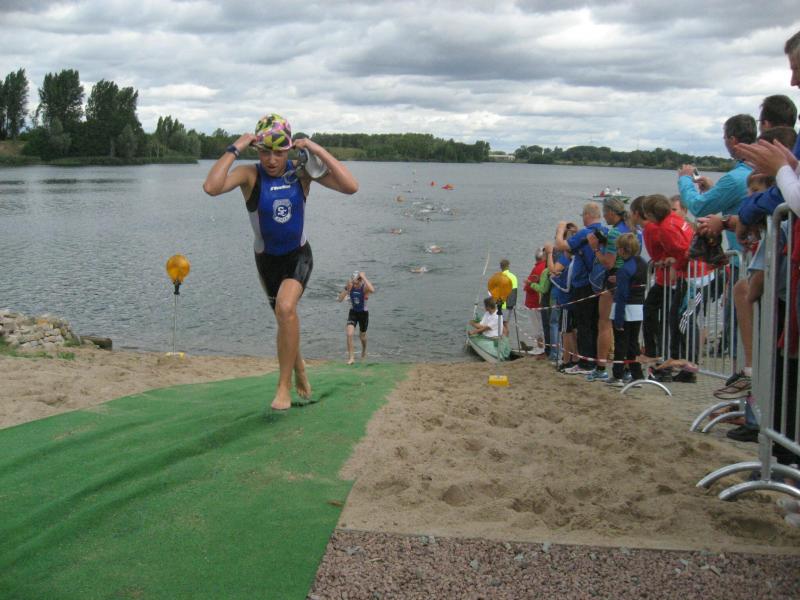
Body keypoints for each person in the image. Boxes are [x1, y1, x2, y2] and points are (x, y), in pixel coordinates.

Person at [202, 113, 358, 412]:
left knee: (286, 309)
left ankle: (283, 387)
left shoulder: (301, 173)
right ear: (256, 150)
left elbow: (351, 186)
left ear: (288, 149)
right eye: (264, 152)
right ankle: (299, 369)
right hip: (266, 262)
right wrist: (236, 147)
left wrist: (314, 147)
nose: (272, 160)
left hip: (298, 256)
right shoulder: (249, 175)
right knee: (284, 319)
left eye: (279, 152)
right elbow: (211, 187)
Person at [585, 197, 634, 382]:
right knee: (627, 325)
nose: (604, 217)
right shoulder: (633, 229)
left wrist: (596, 249)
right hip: (632, 277)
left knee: (604, 323)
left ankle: (601, 367)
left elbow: (608, 263)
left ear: (612, 212)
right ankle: (628, 369)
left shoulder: (615, 233)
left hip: (614, 278)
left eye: (605, 213)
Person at [555, 203, 606, 374]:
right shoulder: (604, 231)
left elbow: (560, 245)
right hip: (598, 284)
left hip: (583, 284)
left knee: (584, 325)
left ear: (587, 215)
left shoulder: (585, 233)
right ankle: (595, 360)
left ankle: (585, 363)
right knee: (594, 323)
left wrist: (561, 228)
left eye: (583, 216)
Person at [608, 233, 647, 387]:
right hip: (638, 308)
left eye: (618, 248)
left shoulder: (624, 269)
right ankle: (637, 376)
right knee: (633, 344)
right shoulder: (642, 263)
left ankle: (617, 376)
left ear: (623, 250)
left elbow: (622, 295)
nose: (617, 251)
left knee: (620, 343)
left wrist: (618, 319)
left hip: (625, 309)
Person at [338, 271, 375, 365]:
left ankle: (364, 350)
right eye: (354, 282)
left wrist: (364, 277)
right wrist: (346, 288)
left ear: (361, 281)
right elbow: (339, 299)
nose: (356, 284)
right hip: (353, 312)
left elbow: (372, 290)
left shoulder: (364, 288)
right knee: (349, 333)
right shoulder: (350, 287)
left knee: (362, 336)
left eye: (358, 282)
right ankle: (351, 358)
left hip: (363, 314)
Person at [524, 248, 549, 357]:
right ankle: (544, 346)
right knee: (543, 325)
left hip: (534, 302)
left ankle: (540, 347)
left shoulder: (538, 268)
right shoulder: (546, 266)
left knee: (537, 327)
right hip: (540, 302)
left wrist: (527, 284)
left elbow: (529, 287)